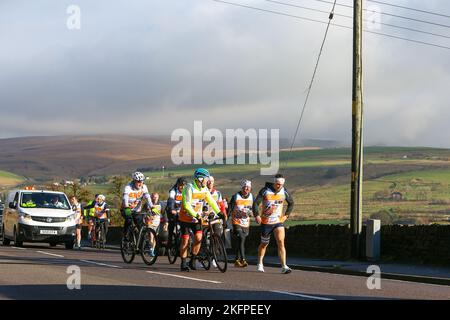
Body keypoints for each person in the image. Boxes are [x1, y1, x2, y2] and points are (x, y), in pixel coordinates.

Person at [178, 168, 222, 272]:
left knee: (198, 238)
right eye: (206, 179)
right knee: (185, 240)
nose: (208, 181)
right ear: (200, 179)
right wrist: (195, 215)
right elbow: (186, 204)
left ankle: (192, 260)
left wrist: (219, 212)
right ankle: (183, 263)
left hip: (196, 218)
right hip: (185, 218)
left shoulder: (204, 189)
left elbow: (211, 201)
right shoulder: (189, 187)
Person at [253, 174, 294, 274]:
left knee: (281, 242)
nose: (278, 186)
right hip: (266, 223)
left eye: (280, 184)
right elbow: (255, 203)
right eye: (277, 184)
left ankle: (284, 266)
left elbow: (291, 203)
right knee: (264, 244)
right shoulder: (265, 190)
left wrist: (286, 215)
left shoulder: (284, 191)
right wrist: (257, 215)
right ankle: (260, 263)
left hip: (277, 222)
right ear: (274, 182)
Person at [228, 179, 254, 268]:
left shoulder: (252, 197)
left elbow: (254, 209)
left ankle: (236, 260)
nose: (246, 189)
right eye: (244, 187)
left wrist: (252, 214)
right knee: (241, 238)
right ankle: (243, 259)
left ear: (250, 188)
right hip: (236, 222)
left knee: (241, 241)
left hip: (246, 223)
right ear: (242, 187)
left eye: (248, 187)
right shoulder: (236, 196)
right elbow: (229, 209)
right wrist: (225, 220)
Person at [122, 172, 153, 236]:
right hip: (126, 208)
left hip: (137, 210)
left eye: (142, 181)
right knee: (129, 220)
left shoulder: (144, 187)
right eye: (138, 181)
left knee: (141, 225)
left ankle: (145, 242)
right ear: (134, 181)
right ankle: (125, 236)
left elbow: (147, 197)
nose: (140, 183)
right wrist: (126, 207)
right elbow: (125, 198)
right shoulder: (128, 187)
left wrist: (152, 207)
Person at [145, 192, 168, 257]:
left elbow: (164, 213)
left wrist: (166, 222)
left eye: (156, 197)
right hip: (149, 222)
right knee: (151, 235)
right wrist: (146, 217)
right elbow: (143, 211)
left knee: (155, 237)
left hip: (157, 223)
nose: (154, 198)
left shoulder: (161, 204)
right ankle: (150, 248)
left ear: (158, 198)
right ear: (151, 197)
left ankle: (152, 250)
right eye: (153, 197)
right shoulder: (148, 204)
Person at [166, 177, 187, 246]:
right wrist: (172, 209)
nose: (182, 187)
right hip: (173, 209)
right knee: (172, 223)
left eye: (184, 185)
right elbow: (171, 200)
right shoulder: (173, 191)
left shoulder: (187, 191)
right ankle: (170, 239)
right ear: (177, 185)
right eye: (181, 185)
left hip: (182, 210)